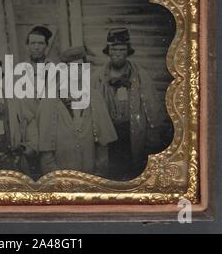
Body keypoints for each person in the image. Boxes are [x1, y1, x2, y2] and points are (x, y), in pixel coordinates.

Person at [93, 27, 166, 180]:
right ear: (108, 51)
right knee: (110, 174)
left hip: (133, 132)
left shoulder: (140, 75)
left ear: (127, 51)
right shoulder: (98, 77)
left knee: (132, 174)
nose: (117, 53)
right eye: (114, 49)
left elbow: (153, 109)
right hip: (108, 134)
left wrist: (153, 139)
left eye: (121, 49)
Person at [37, 46, 118, 176]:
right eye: (72, 67)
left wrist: (98, 176)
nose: (77, 71)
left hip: (90, 174)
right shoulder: (50, 100)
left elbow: (103, 146)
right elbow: (46, 152)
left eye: (80, 66)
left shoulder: (95, 98)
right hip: (62, 176)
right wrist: (56, 179)